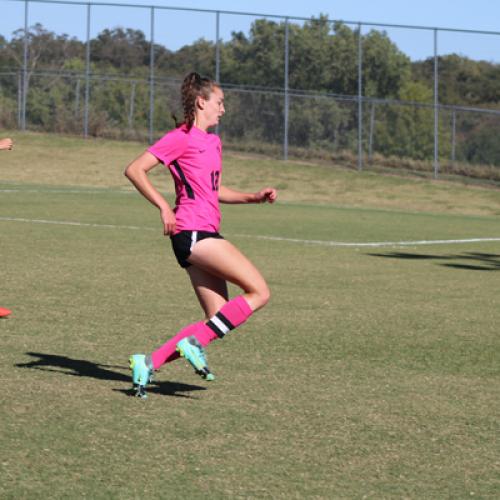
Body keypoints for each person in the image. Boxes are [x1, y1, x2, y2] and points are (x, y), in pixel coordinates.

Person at [124, 72, 277, 398]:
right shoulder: (181, 137)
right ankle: (194, 343)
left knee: (216, 318)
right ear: (201, 102)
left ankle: (148, 362)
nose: (223, 110)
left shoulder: (213, 142)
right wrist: (164, 207)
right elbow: (135, 169)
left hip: (202, 232)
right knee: (260, 292)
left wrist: (253, 197)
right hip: (193, 232)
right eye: (219, 103)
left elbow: (214, 188)